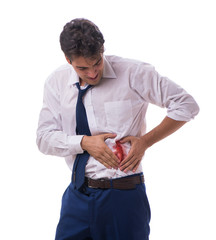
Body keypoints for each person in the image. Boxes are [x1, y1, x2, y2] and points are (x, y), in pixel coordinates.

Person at [36, 18, 199, 240]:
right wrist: (84, 142)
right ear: (68, 59)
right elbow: (44, 138)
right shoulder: (56, 82)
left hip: (123, 196)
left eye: (97, 63)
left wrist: (145, 141)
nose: (93, 73)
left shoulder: (133, 73)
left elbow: (186, 104)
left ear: (102, 51)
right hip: (77, 195)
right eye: (83, 68)